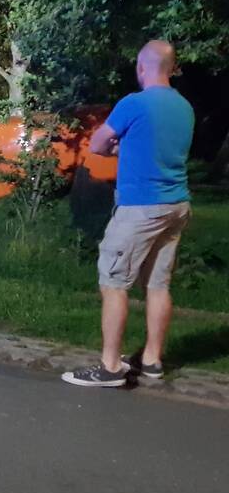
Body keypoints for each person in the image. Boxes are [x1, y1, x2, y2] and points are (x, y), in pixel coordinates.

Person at [62, 40, 194, 388]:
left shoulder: (133, 104)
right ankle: (151, 361)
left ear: (142, 67)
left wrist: (116, 146)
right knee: (158, 283)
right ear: (172, 67)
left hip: (140, 208)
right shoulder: (184, 108)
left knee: (114, 282)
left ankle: (110, 367)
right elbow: (157, 148)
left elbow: (98, 144)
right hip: (176, 205)